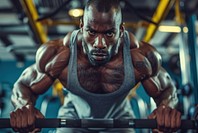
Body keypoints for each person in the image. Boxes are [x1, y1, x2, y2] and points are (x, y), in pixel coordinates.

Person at [10, 0, 182, 132]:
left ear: (121, 31)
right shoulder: (58, 54)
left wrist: (166, 109)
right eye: (91, 32)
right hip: (73, 116)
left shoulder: (142, 57)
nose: (99, 44)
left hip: (120, 117)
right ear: (82, 26)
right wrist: (24, 107)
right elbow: (24, 86)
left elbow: (167, 90)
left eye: (109, 33)